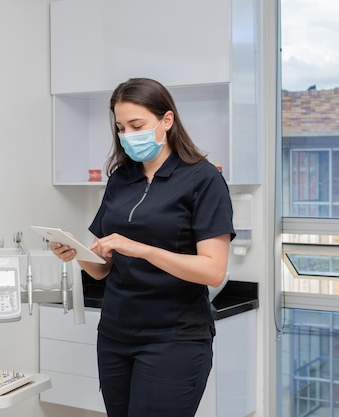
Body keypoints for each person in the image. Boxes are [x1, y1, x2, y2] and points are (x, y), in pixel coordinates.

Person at [50, 77, 235, 417]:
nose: (128, 134)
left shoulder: (203, 179)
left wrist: (144, 249)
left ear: (167, 120)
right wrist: (78, 254)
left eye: (137, 124)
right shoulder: (121, 178)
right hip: (116, 334)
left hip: (174, 339)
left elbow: (213, 270)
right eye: (121, 127)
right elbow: (103, 268)